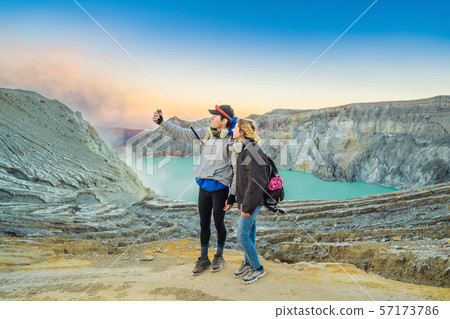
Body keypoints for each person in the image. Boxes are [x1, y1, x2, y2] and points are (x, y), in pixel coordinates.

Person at [152, 105, 237, 275]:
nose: (211, 118)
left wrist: (233, 196)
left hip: (220, 189)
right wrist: (162, 122)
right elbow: (183, 132)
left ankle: (219, 256)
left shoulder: (232, 141)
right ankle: (203, 258)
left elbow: (236, 170)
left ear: (224, 121)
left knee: (219, 223)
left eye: (215, 116)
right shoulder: (207, 132)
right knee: (203, 223)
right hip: (203, 186)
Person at [226, 118, 268, 284]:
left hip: (253, 201)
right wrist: (240, 199)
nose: (233, 129)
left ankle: (258, 268)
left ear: (242, 132)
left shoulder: (252, 150)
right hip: (248, 200)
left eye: (235, 127)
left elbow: (256, 181)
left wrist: (247, 207)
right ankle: (248, 262)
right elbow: (244, 178)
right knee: (249, 232)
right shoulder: (245, 148)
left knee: (242, 235)